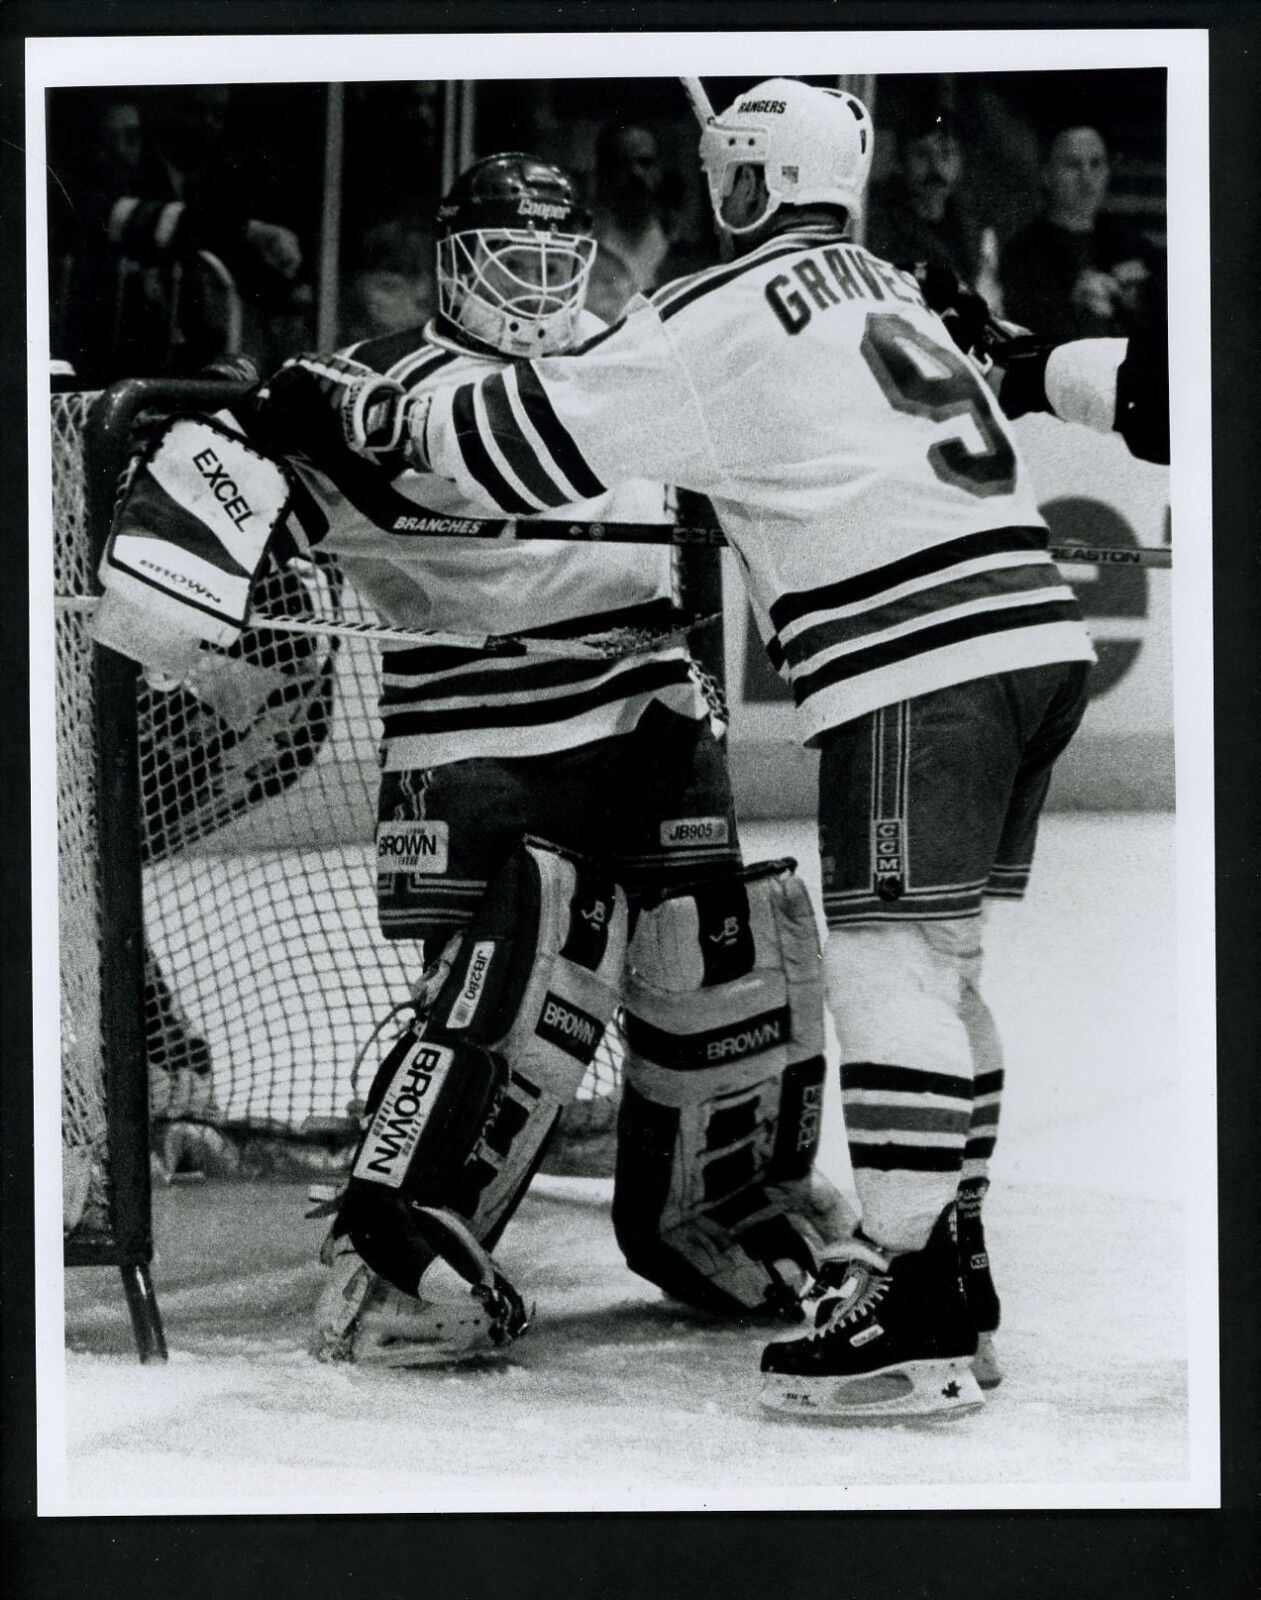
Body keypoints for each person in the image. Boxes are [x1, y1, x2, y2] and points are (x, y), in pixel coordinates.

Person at [299, 79, 1108, 1419]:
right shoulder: (895, 289)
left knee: (887, 959)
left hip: (915, 659)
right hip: (1035, 639)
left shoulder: (709, 315)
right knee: (946, 962)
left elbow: (510, 447)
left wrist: (366, 413)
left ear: (737, 186)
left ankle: (907, 1297)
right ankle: (950, 1262)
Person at [242, 153, 851, 1366]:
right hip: (480, 731)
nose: (533, 284)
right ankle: (397, 1247)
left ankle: (720, 1210)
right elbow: (254, 490)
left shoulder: (625, 359)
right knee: (518, 986)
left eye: (554, 258)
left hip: (651, 708)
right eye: (505, 257)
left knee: (722, 967)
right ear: (450, 260)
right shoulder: (378, 384)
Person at [1001, 125, 1162, 344]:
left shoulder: (1130, 242)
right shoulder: (1023, 251)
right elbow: (1020, 327)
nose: (1087, 178)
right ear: (1047, 176)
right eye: (1073, 165)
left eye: (1096, 164)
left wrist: (1137, 299)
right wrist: (1073, 303)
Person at [865, 107, 999, 298]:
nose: (935, 167)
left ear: (960, 161)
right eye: (921, 153)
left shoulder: (975, 228)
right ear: (900, 161)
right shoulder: (879, 224)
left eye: (946, 153)